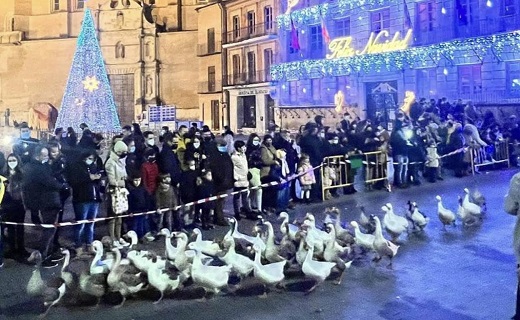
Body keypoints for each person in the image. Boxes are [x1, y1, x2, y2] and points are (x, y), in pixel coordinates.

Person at [22, 145, 67, 268]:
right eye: (45, 155)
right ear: (37, 155)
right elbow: (49, 182)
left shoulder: (36, 166)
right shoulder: (38, 169)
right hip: (47, 203)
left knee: (50, 230)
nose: (48, 157)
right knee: (48, 231)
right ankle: (43, 256)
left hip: (46, 202)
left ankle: (49, 253)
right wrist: (63, 186)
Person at [67, 151, 102, 255]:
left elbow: (97, 182)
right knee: (80, 224)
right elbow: (74, 181)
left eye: (92, 158)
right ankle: (78, 245)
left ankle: (89, 244)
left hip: (94, 199)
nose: (90, 160)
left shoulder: (94, 167)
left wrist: (98, 179)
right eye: (88, 158)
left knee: (91, 224)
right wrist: (88, 178)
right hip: (82, 200)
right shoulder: (76, 168)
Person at [2, 154, 29, 263]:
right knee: (11, 229)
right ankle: (12, 250)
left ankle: (21, 248)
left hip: (20, 205)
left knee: (21, 228)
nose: (12, 162)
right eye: (10, 160)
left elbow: (25, 189)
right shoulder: (4, 174)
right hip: (8, 206)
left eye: (14, 160)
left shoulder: (22, 174)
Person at [105, 140, 130, 248]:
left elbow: (124, 175)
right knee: (113, 216)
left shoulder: (120, 162)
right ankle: (113, 238)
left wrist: (123, 179)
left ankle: (118, 237)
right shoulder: (110, 162)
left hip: (121, 192)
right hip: (113, 192)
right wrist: (122, 181)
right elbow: (112, 180)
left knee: (120, 216)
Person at [48, 142, 70, 249]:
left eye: (56, 151)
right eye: (52, 152)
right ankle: (52, 241)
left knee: (58, 218)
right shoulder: (47, 161)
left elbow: (61, 174)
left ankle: (55, 240)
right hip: (51, 195)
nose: (54, 154)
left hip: (60, 192)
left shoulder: (62, 161)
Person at [207, 138, 233, 226]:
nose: (223, 147)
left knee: (222, 201)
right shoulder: (214, 156)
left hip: (225, 182)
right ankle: (219, 218)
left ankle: (218, 217)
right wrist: (221, 179)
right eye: (221, 146)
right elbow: (216, 170)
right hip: (218, 183)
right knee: (218, 202)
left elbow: (229, 168)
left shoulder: (225, 155)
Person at [127, 174, 154, 242]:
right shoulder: (130, 190)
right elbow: (129, 202)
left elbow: (147, 199)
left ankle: (141, 236)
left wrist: (146, 209)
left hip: (142, 210)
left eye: (139, 180)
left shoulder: (144, 189)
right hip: (134, 211)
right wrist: (130, 211)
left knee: (141, 225)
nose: (137, 182)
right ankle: (132, 238)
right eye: (135, 180)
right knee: (134, 225)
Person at [231, 140, 252, 220]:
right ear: (238, 148)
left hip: (245, 179)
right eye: (243, 147)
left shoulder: (244, 155)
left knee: (245, 196)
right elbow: (232, 168)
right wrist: (236, 178)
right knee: (236, 197)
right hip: (238, 180)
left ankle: (247, 210)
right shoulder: (234, 157)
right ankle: (237, 213)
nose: (244, 148)